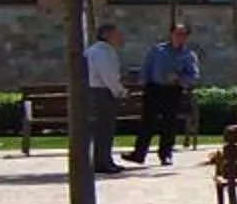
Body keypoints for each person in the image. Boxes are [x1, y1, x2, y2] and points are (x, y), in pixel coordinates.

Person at [126, 21, 198, 165]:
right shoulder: (157, 50)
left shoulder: (189, 55)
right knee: (148, 121)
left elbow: (194, 76)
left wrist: (179, 77)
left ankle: (166, 154)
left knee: (169, 123)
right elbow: (146, 68)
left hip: (173, 90)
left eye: (183, 34)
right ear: (171, 34)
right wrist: (144, 83)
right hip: (154, 89)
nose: (180, 37)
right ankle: (139, 154)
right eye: (177, 34)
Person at [83, 20, 127, 174]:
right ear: (105, 35)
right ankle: (103, 162)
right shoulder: (102, 52)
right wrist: (119, 91)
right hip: (101, 92)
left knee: (102, 130)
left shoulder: (95, 51)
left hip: (95, 92)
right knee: (104, 129)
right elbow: (108, 75)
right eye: (116, 34)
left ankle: (103, 160)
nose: (119, 37)